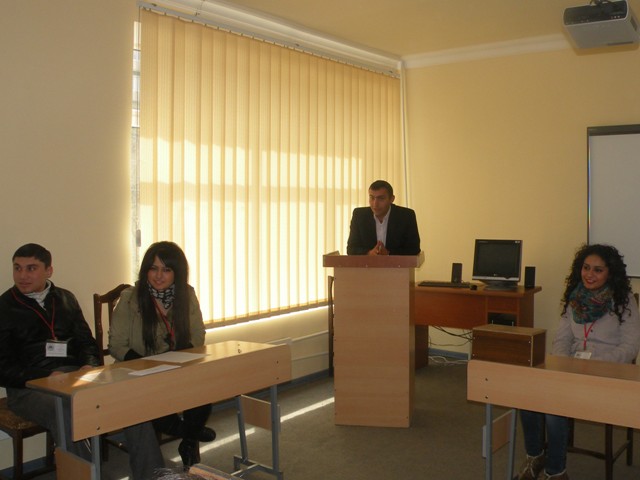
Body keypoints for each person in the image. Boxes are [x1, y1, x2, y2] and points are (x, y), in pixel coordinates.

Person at [517, 244, 640, 480]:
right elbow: (562, 339)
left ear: (610, 273)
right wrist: (564, 366)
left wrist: (596, 365)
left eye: (598, 270)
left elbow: (630, 347)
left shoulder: (623, 301)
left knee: (554, 408)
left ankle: (556, 471)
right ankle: (535, 455)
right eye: (586, 268)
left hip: (607, 372)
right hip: (571, 369)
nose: (589, 274)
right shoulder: (574, 297)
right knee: (528, 396)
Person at [109, 241, 214, 469]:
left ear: (177, 272)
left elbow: (198, 333)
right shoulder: (129, 298)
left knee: (204, 385)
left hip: (175, 367)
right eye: (153, 268)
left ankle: (187, 441)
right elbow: (116, 345)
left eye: (166, 269)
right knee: (150, 398)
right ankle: (187, 432)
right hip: (137, 371)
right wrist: (146, 365)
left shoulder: (186, 294)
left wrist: (180, 358)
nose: (158, 276)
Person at [0, 243, 100, 460]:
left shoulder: (66, 298)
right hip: (29, 387)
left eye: (31, 268)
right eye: (17, 268)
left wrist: (89, 366)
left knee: (122, 395)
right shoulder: (4, 307)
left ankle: (152, 470)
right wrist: (46, 375)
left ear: (49, 271)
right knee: (63, 409)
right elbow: (3, 368)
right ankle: (83, 473)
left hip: (73, 376)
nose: (22, 276)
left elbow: (87, 342)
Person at [346, 179, 420, 256]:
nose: (375, 204)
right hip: (367, 263)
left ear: (392, 199)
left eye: (381, 199)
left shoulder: (406, 216)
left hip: (396, 264)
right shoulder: (359, 215)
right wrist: (369, 253)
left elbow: (414, 249)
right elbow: (351, 249)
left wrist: (388, 253)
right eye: (372, 198)